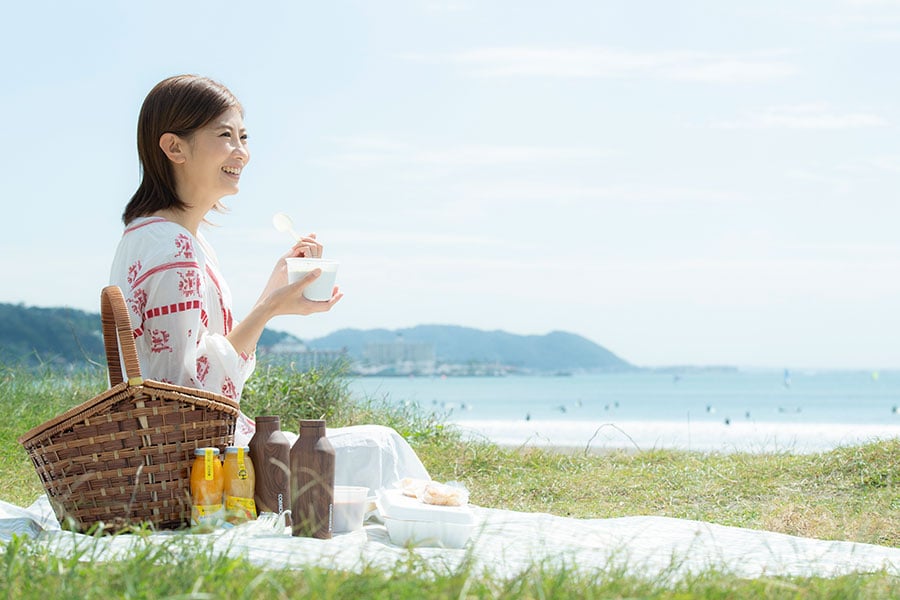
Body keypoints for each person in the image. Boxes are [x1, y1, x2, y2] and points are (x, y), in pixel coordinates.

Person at [110, 74, 429, 492]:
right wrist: (269, 309)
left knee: (371, 449)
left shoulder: (153, 236)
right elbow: (190, 395)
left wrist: (273, 294)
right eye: (225, 135)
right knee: (381, 447)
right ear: (174, 147)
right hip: (203, 472)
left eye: (244, 136)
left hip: (173, 461)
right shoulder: (176, 247)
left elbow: (199, 361)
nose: (241, 152)